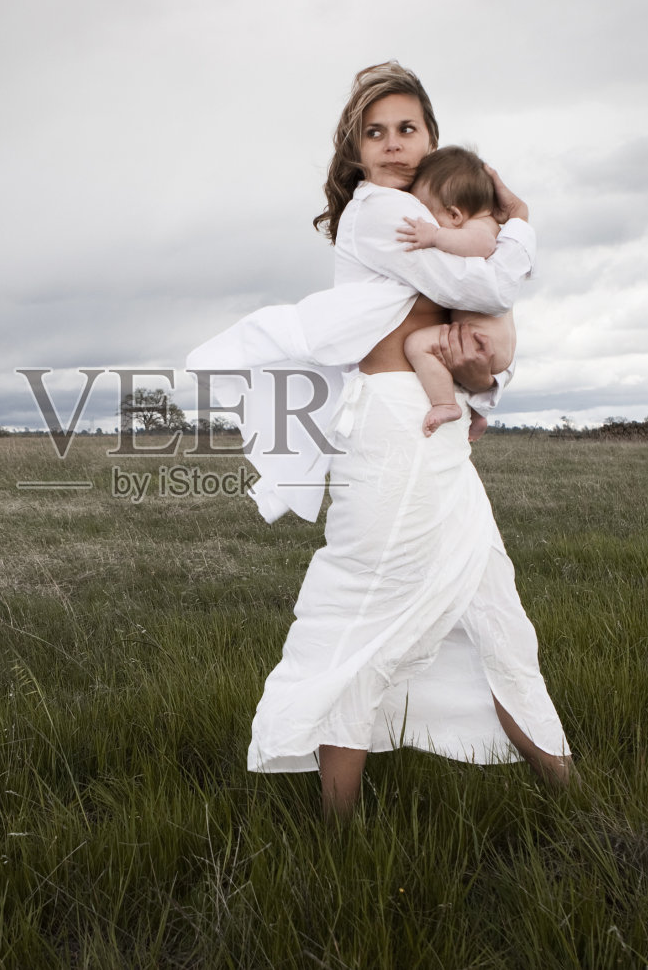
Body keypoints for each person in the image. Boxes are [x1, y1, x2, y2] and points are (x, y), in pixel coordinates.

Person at [186, 61, 574, 820]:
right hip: (394, 430)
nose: (393, 144)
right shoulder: (378, 214)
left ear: (431, 139)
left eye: (407, 128)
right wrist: (521, 222)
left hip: (437, 433)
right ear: (356, 152)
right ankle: (339, 829)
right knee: (365, 613)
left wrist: (479, 383)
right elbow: (489, 287)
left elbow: (465, 335)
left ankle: (571, 795)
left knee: (495, 610)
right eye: (375, 132)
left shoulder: (432, 218)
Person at [396, 146, 519, 437]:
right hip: (491, 342)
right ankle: (478, 415)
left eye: (429, 214)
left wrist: (435, 236)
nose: (427, 222)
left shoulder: (481, 226)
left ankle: (445, 404)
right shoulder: (481, 222)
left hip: (483, 341)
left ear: (454, 214)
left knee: (417, 345)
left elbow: (483, 245)